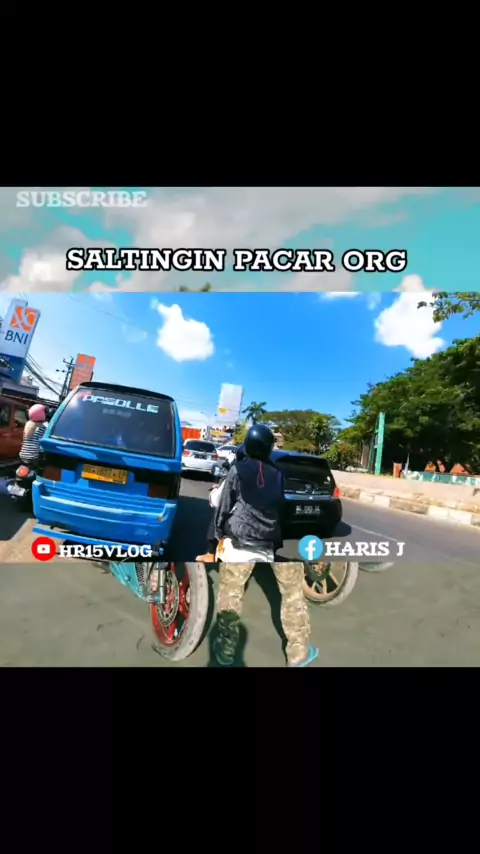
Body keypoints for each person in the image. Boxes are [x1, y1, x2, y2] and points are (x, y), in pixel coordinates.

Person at [209, 424, 319, 668]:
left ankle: (226, 652)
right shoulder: (278, 474)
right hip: (272, 541)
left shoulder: (238, 470)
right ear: (270, 448)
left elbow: (224, 506)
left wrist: (218, 534)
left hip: (240, 543)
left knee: (231, 597)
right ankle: (298, 654)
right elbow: (280, 508)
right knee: (293, 595)